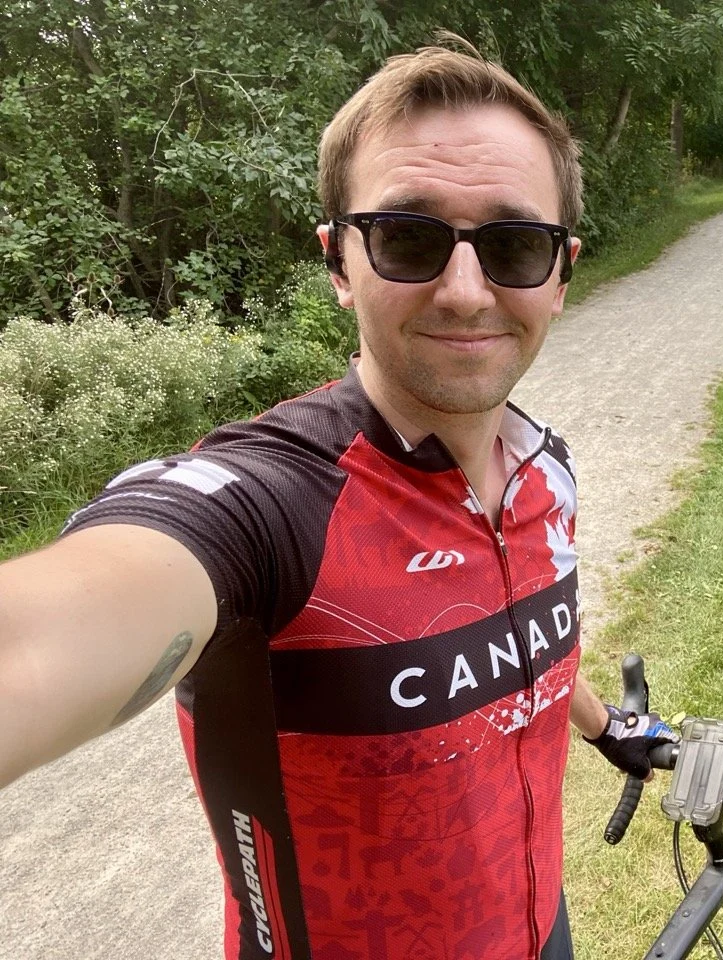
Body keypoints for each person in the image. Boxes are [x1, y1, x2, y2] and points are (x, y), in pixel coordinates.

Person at [0, 40, 675, 960]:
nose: (467, 290)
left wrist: (609, 726)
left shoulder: (543, 470)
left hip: (538, 930)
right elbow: (46, 636)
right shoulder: (274, 503)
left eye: (515, 245)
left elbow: (521, 640)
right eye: (408, 237)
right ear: (338, 262)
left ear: (560, 275)